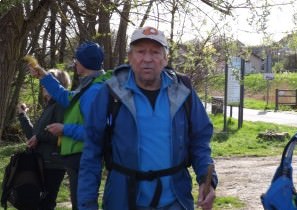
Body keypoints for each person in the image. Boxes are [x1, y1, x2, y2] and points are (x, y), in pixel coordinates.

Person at [77, 26, 218, 210]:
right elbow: (92, 151)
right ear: (130, 57)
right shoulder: (111, 93)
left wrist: (207, 181)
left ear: (165, 58)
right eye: (140, 51)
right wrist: (87, 204)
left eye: (155, 52)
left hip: (175, 201)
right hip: (123, 201)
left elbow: (200, 140)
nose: (147, 59)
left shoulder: (183, 91)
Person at [27, 42, 109, 210]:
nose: (74, 63)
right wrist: (43, 75)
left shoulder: (94, 91)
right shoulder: (89, 86)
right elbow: (64, 96)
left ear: (83, 63)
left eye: (76, 60)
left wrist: (64, 129)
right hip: (79, 160)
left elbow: (97, 132)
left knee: (83, 205)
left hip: (84, 159)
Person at [17, 69, 70, 210]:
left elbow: (61, 134)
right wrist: (23, 116)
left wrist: (39, 136)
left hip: (53, 164)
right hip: (41, 162)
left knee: (45, 204)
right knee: (34, 203)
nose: (43, 86)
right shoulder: (50, 106)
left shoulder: (61, 105)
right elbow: (34, 136)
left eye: (47, 81)